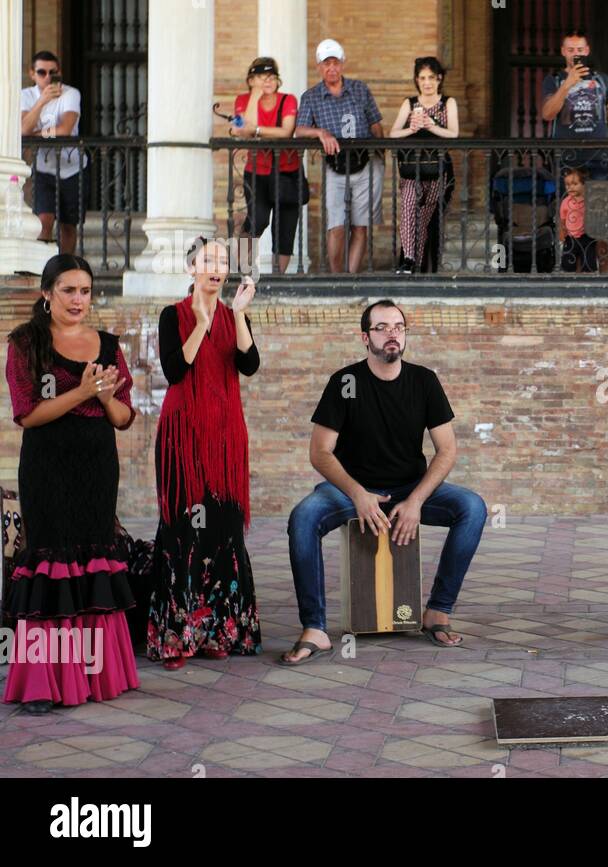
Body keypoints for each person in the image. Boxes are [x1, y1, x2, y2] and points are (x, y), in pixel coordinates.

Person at [283, 300, 487, 664]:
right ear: (365, 337)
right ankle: (315, 628)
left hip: (409, 488)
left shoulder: (424, 381)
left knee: (472, 507)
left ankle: (437, 611)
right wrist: (359, 494)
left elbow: (447, 451)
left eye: (398, 327)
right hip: (352, 490)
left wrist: (417, 501)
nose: (392, 334)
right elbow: (320, 453)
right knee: (303, 518)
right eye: (382, 327)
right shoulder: (345, 382)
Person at [3, 255, 139, 713]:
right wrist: (81, 393)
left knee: (93, 559)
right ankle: (44, 683)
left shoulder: (107, 345)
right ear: (47, 293)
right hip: (47, 468)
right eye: (68, 290)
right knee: (51, 562)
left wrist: (102, 398)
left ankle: (95, 677)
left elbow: (123, 417)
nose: (78, 300)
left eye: (85, 291)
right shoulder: (26, 343)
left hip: (98, 468)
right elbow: (28, 414)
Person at [146, 238, 261, 671]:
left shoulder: (235, 316)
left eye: (223, 261)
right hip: (183, 436)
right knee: (183, 529)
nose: (217, 267)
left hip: (227, 435)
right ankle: (177, 636)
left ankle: (218, 629)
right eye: (208, 260)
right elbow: (175, 369)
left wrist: (240, 314)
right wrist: (201, 320)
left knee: (225, 528)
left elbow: (249, 365)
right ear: (191, 267)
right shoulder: (171, 315)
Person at [295, 39, 385, 273]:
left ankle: (349, 278)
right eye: (326, 63)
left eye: (335, 62)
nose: (331, 68)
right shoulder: (311, 97)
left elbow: (376, 125)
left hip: (365, 163)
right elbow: (300, 130)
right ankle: (336, 278)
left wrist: (380, 155)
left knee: (360, 225)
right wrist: (320, 132)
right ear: (318, 67)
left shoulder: (360, 89)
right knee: (336, 225)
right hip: (334, 166)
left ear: (343, 64)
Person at [229, 57, 302, 274]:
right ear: (251, 80)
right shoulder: (243, 100)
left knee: (286, 226)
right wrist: (255, 96)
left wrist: (257, 130)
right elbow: (242, 129)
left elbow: (286, 131)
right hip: (257, 170)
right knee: (257, 220)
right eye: (260, 76)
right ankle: (237, 268)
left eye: (270, 76)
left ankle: (278, 277)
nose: (265, 81)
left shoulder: (288, 100)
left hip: (287, 170)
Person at [389, 56, 459, 275]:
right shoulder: (409, 103)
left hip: (438, 170)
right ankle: (408, 259)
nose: (427, 82)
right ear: (416, 80)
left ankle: (416, 264)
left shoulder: (447, 102)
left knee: (425, 217)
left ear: (439, 79)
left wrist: (431, 125)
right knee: (409, 206)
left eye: (431, 77)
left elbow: (454, 134)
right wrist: (411, 128)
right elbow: (393, 133)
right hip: (412, 169)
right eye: (422, 78)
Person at [19, 51, 87, 254]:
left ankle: (65, 267)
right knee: (43, 221)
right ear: (32, 73)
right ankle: (44, 268)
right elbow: (23, 130)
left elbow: (65, 130)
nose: (47, 77)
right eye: (42, 72)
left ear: (60, 72)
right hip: (43, 168)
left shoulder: (70, 93)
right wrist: (42, 101)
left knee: (68, 224)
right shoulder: (26, 96)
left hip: (73, 167)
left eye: (53, 73)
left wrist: (37, 134)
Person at [540, 28, 608, 182]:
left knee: (598, 205)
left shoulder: (602, 80)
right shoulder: (554, 80)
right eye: (571, 50)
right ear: (563, 51)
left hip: (599, 158)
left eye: (579, 49)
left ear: (586, 51)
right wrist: (567, 84)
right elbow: (547, 114)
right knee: (567, 205)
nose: (575, 54)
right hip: (566, 159)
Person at [558, 166, 606, 273]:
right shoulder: (566, 202)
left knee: (588, 261)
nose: (571, 188)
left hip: (587, 236)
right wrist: (562, 232)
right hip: (571, 237)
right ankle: (570, 280)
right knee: (568, 262)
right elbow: (562, 219)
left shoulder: (589, 200)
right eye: (567, 185)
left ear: (584, 185)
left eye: (575, 184)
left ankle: (587, 279)